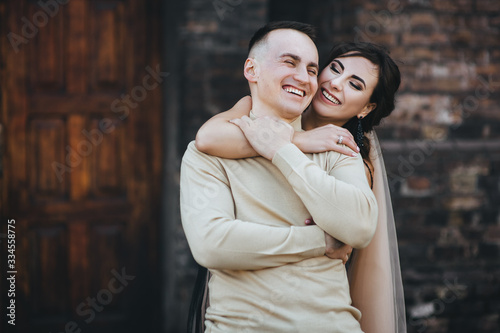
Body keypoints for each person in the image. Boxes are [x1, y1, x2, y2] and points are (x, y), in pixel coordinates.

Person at [194, 41, 406, 332]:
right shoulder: (256, 110)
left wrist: (284, 149)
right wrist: (296, 140)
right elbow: (206, 139)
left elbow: (351, 229)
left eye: (354, 84)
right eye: (334, 69)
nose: (334, 83)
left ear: (367, 107)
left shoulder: (348, 156)